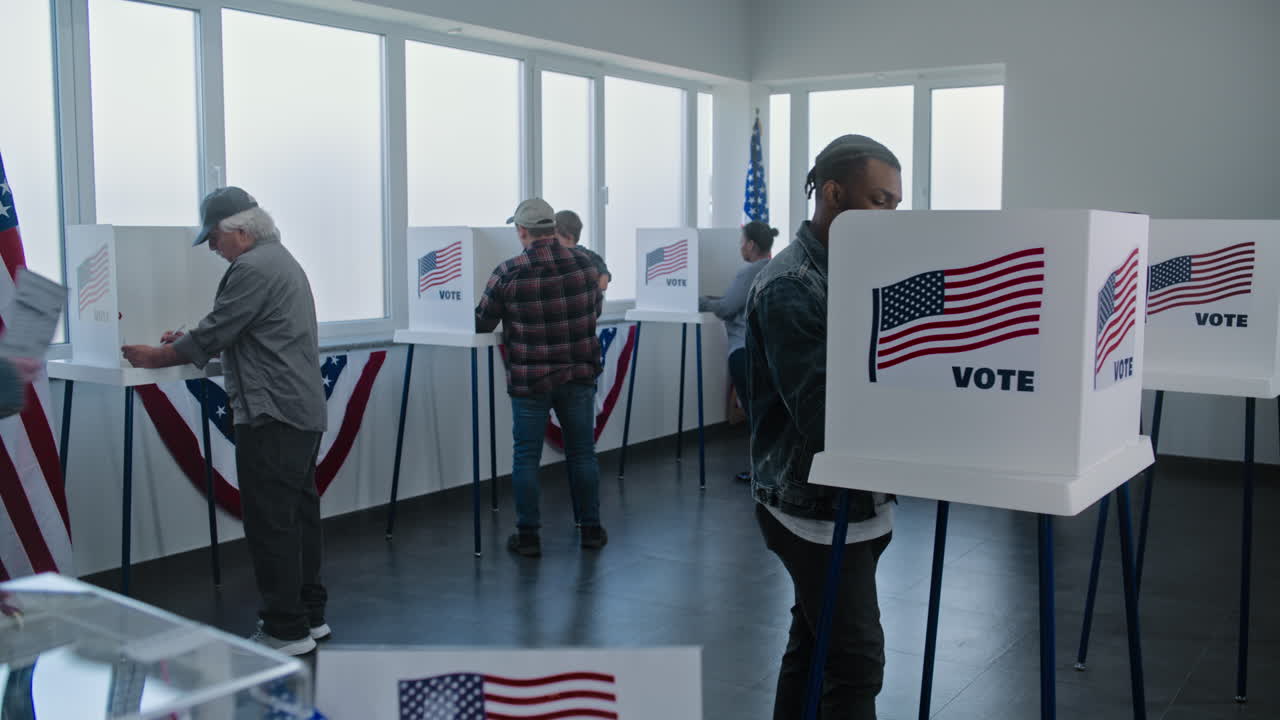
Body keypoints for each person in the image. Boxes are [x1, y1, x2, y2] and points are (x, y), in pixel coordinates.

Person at [121, 187, 328, 656]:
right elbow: (237, 329)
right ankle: (310, 616)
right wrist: (193, 339)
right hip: (299, 409)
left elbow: (220, 329)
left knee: (271, 524)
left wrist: (158, 354)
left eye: (214, 238)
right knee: (298, 518)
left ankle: (284, 629)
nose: (213, 248)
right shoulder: (281, 260)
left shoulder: (251, 268)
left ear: (239, 231)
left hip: (271, 411)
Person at [745, 134, 902, 719]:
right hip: (811, 505)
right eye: (880, 201)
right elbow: (824, 417)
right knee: (857, 662)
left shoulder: (856, 271)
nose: (890, 216)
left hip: (853, 499)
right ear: (833, 193)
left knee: (813, 644)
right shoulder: (790, 286)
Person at [477, 198, 606, 557]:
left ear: (522, 231)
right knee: (582, 454)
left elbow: (482, 321)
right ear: (551, 228)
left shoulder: (508, 272)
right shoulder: (585, 265)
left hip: (530, 379)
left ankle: (529, 536)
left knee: (526, 457)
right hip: (578, 373)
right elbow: (595, 309)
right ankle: (591, 529)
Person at [699, 221, 775, 482]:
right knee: (765, 414)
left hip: (743, 351)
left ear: (752, 245)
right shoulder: (775, 268)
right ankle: (769, 470)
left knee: (754, 415)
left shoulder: (749, 272)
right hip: (766, 352)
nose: (740, 247)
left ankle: (759, 473)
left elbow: (727, 308)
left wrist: (700, 300)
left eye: (742, 241)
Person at [554, 210, 611, 292]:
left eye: (555, 234)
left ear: (569, 236)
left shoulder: (588, 255)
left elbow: (603, 283)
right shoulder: (589, 255)